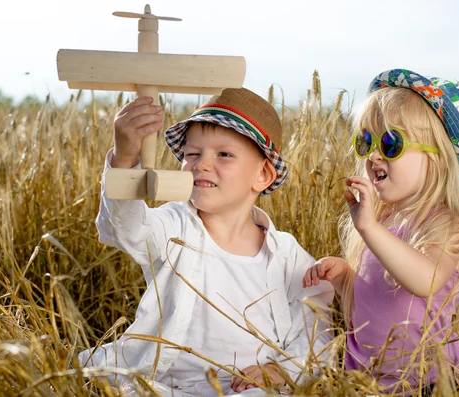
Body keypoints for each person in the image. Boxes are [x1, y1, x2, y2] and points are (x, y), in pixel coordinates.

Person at [79, 87, 334, 396]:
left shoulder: (287, 256)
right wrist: (124, 157)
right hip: (163, 383)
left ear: (263, 175)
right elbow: (124, 228)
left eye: (223, 154)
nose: (201, 164)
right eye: (192, 154)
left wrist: (280, 371)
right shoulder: (175, 225)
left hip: (243, 389)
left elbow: (314, 330)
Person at [302, 69, 459, 395]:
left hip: (424, 382)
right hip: (363, 380)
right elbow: (374, 301)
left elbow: (424, 281)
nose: (373, 155)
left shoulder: (444, 224)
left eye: (391, 144)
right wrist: (344, 277)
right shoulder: (382, 222)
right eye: (366, 141)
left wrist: (370, 228)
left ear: (439, 159)